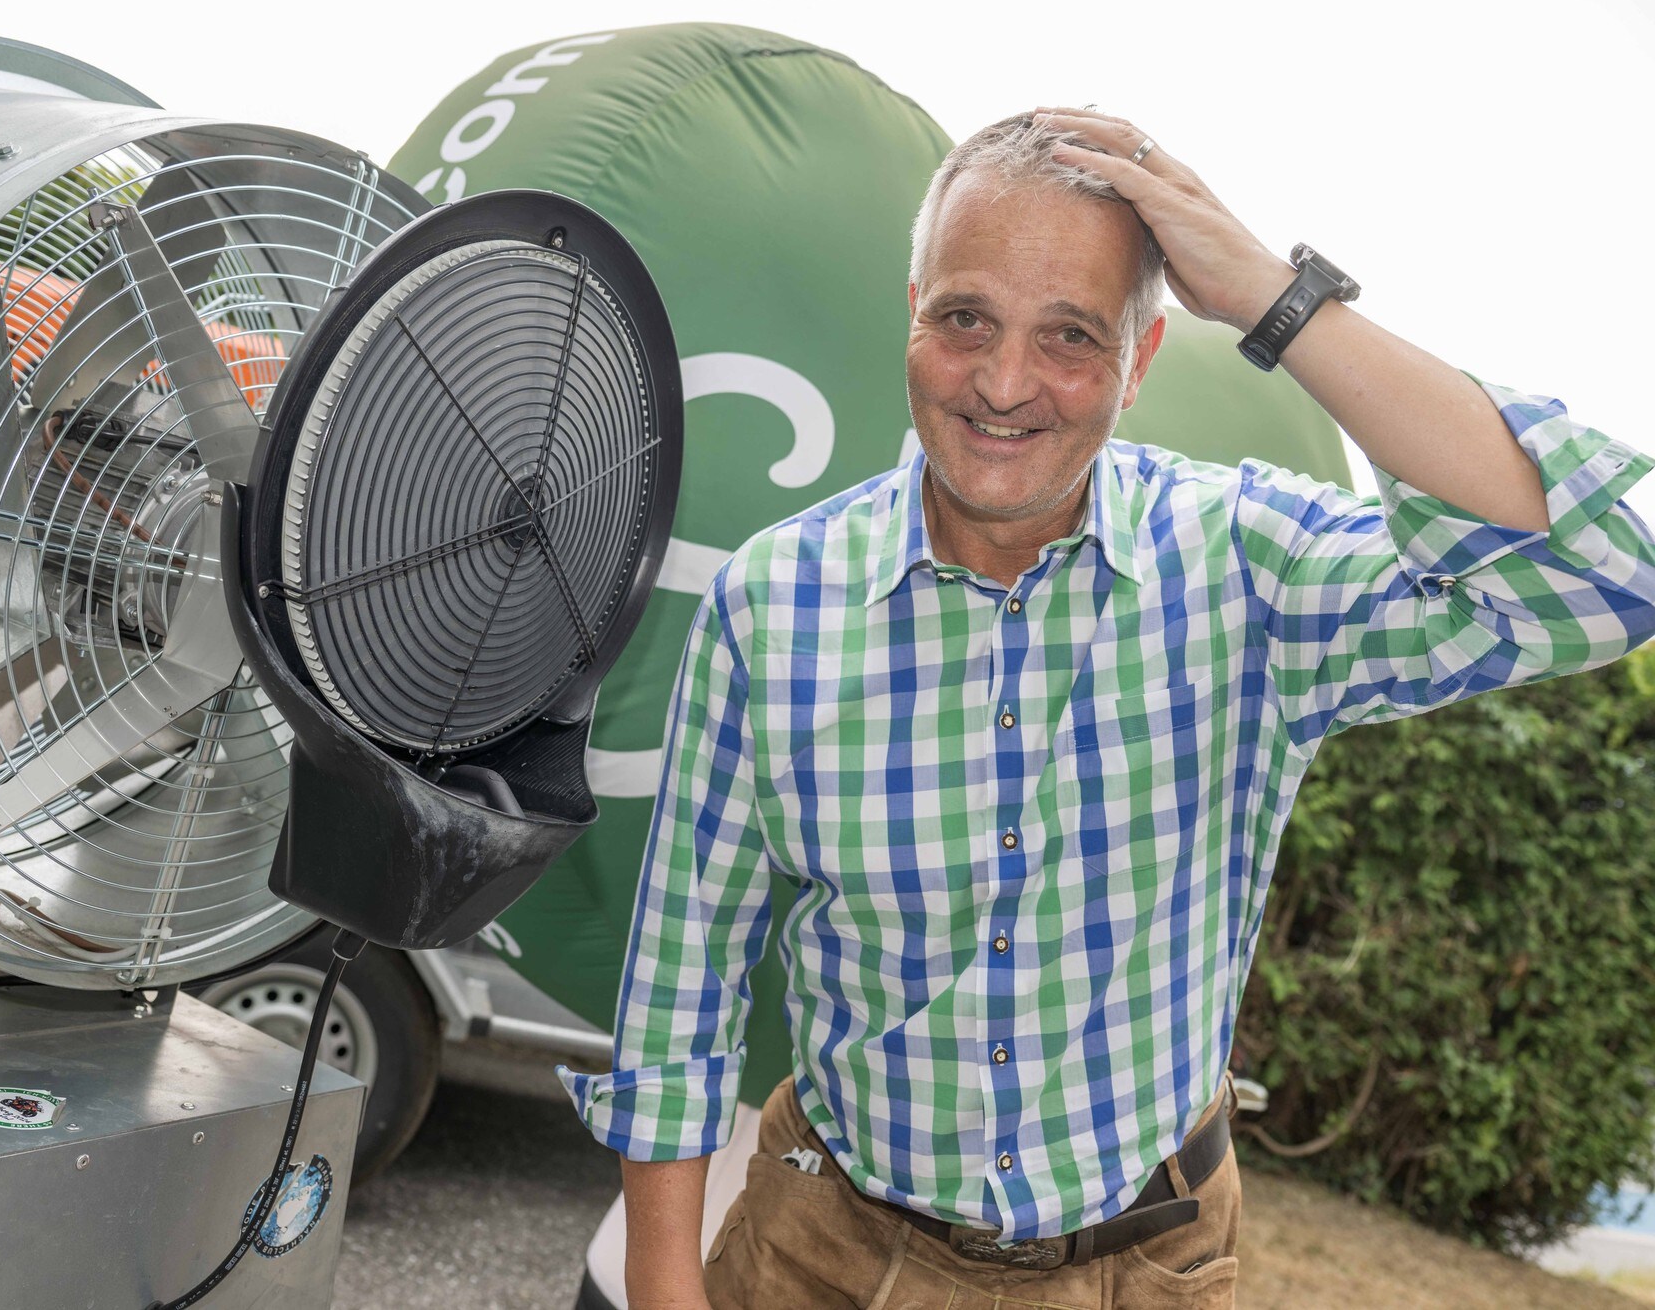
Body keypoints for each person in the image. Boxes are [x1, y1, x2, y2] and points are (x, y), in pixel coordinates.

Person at [556, 108, 1655, 1309]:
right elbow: (681, 986)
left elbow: (1610, 572)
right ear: (910, 310)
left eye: (1071, 336)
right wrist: (665, 1288)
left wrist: (1276, 299)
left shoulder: (1245, 566)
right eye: (963, 318)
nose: (1002, 383)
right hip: (825, 1249)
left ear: (1140, 362)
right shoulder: (771, 603)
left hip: (1144, 1266)